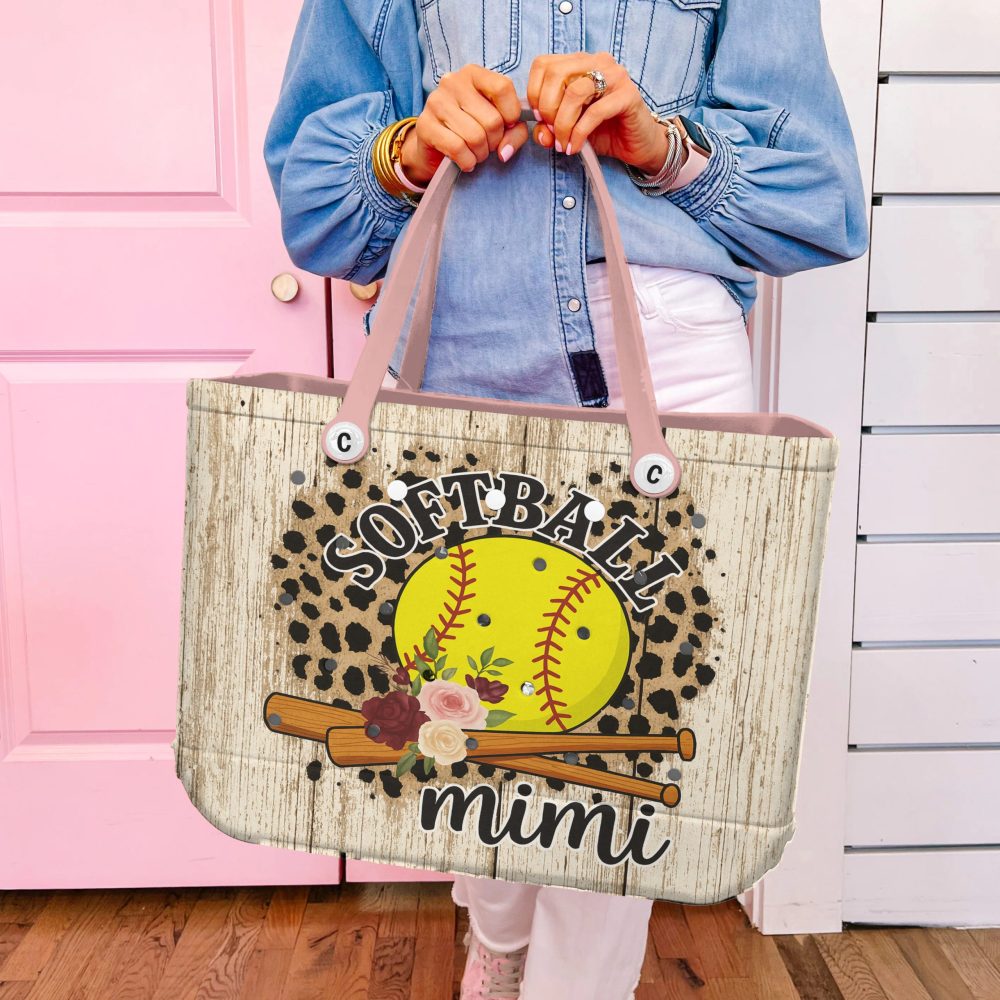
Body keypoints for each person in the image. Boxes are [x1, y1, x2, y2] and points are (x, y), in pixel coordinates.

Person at [264, 2, 867, 997]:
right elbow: (315, 209)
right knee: (464, 717)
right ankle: (497, 934)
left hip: (661, 359)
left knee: (618, 746)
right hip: (454, 341)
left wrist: (665, 146)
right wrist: (407, 152)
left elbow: (819, 198)